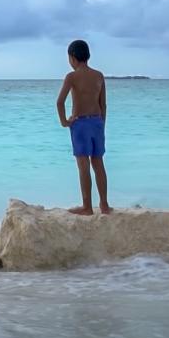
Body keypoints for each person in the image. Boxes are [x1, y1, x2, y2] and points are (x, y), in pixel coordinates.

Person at [56, 39, 112, 215]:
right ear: (87, 56)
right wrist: (102, 125)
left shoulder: (71, 77)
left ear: (72, 58)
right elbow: (103, 105)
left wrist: (65, 121)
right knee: (98, 163)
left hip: (80, 123)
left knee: (83, 166)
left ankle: (87, 207)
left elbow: (59, 102)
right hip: (97, 122)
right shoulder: (99, 75)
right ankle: (104, 205)